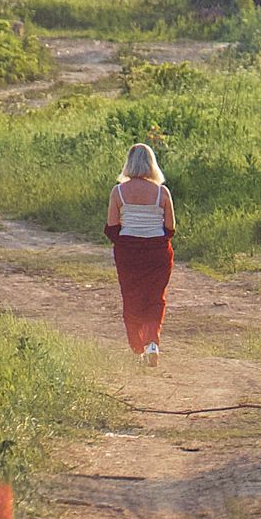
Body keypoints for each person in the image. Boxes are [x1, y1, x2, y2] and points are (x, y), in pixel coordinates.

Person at [105, 142, 176, 363]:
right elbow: (170, 227)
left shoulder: (118, 192)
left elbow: (112, 227)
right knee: (156, 297)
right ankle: (152, 343)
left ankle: (137, 346)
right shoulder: (162, 192)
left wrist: (128, 243)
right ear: (151, 164)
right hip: (157, 252)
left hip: (129, 252)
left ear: (129, 163)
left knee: (132, 295)